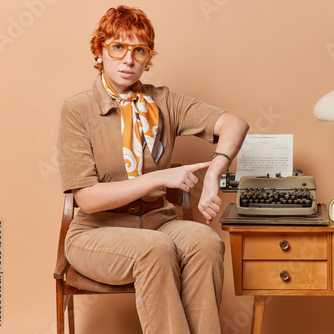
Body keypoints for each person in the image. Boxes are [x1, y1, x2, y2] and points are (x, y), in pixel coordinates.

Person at [57, 5, 248, 334]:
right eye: (118, 48)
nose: (128, 60)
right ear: (99, 50)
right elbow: (87, 199)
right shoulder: (77, 111)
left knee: (206, 241)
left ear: (148, 57)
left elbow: (235, 123)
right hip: (96, 231)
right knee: (154, 249)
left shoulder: (164, 102)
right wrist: (159, 177)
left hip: (159, 222)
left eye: (139, 51)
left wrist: (216, 171)